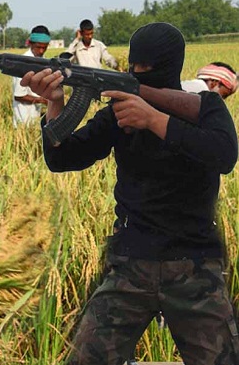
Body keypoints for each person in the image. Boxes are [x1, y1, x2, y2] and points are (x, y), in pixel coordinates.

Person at [21, 22, 238, 364]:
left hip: (194, 267)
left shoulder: (206, 106)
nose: (139, 74)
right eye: (135, 67)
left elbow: (224, 155)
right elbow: (62, 158)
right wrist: (55, 104)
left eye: (147, 68)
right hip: (130, 264)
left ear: (170, 65)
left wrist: (154, 120)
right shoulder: (117, 112)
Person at [11, 25, 51, 127]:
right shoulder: (23, 63)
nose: (41, 51)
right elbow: (19, 96)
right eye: (38, 47)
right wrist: (43, 100)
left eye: (44, 47)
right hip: (23, 122)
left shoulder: (43, 61)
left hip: (35, 119)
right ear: (30, 44)